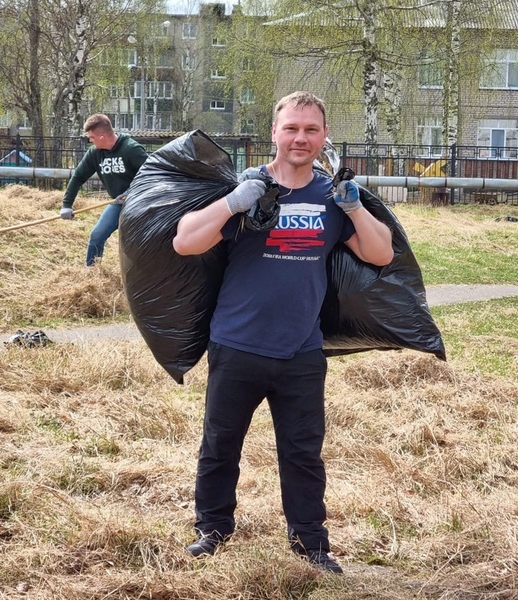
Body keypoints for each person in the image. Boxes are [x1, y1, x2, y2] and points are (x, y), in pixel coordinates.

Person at [172, 91, 394, 573]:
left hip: (301, 351)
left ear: (324, 136)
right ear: (274, 132)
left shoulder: (333, 197)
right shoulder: (247, 187)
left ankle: (311, 544)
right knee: (220, 445)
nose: (300, 138)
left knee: (303, 454)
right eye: (291, 128)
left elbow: (381, 255)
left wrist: (354, 208)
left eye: (311, 130)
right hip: (236, 344)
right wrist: (233, 202)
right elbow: (185, 241)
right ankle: (212, 529)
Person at [60, 113, 148, 266]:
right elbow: (78, 177)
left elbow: (151, 175)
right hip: (118, 203)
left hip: (141, 203)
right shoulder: (95, 154)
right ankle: (92, 272)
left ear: (101, 136)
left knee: (134, 242)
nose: (90, 140)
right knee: (97, 235)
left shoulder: (131, 149)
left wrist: (130, 193)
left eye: (92, 137)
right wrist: (67, 204)